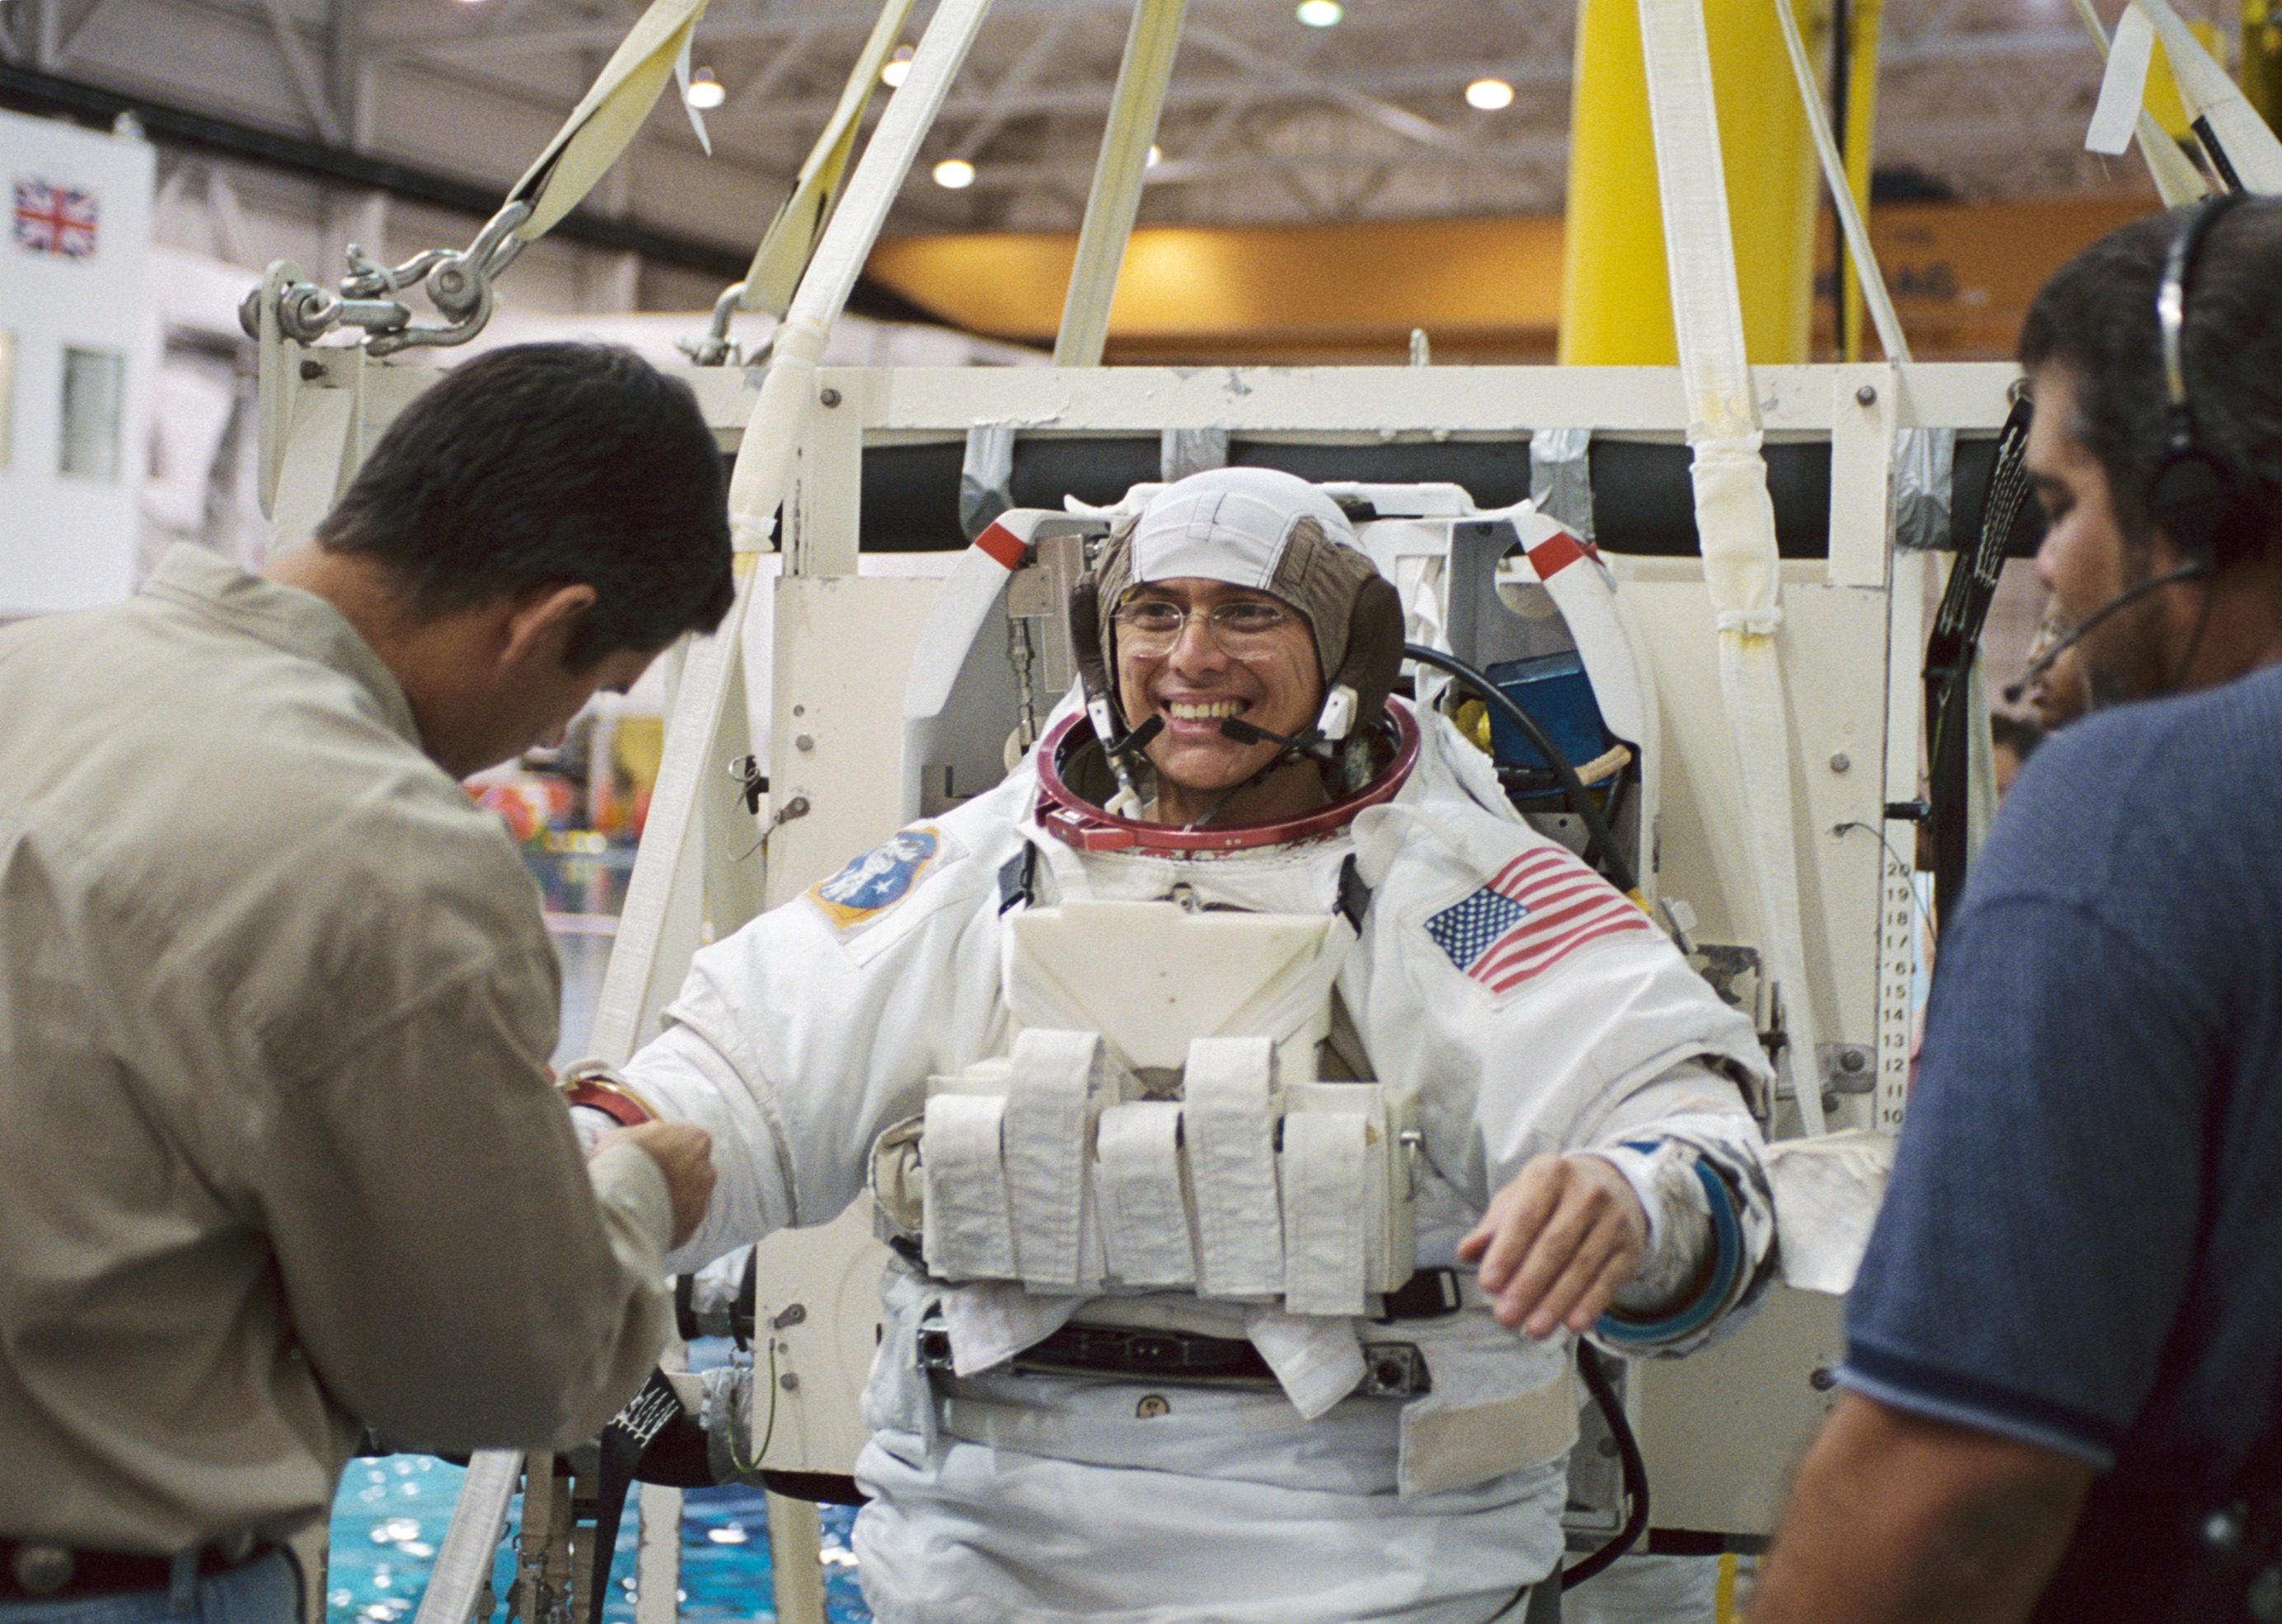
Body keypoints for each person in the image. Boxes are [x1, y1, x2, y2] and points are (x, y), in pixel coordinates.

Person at [583, 466, 1778, 1624]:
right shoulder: (975, 877)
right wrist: (598, 1156)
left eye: (1250, 615)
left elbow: (1665, 1106)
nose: (1192, 659)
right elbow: (739, 1081)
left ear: (1350, 651)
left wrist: (1635, 1197)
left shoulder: (1455, 894)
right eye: (1155, 613)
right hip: (987, 1558)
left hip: (1374, 1561)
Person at [1750, 197, 2282, 1621]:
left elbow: (1947, 1487)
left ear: (2204, 503)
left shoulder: (2142, 810)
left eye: (2068, 503)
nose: (2055, 571)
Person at [0, 343, 730, 1624]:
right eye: (588, 690)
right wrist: (626, 1195)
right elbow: (494, 1369)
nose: (552, 739)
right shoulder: (396, 861)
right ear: (544, 622)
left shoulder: (28, 675)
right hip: (110, 1581)